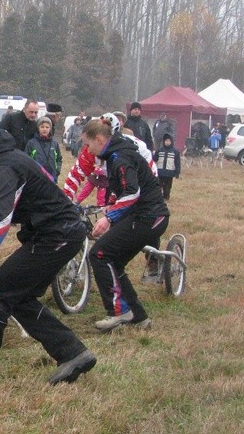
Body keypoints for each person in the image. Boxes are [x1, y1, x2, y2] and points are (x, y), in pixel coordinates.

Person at [0, 118, 96, 389]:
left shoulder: (3, 167)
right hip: (53, 234)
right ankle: (73, 353)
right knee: (17, 296)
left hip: (57, 235)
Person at [82, 118, 169, 332]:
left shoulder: (120, 157)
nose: (87, 149)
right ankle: (139, 317)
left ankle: (118, 312)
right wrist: (109, 206)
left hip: (149, 217)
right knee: (114, 261)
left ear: (100, 139)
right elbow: (123, 190)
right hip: (146, 215)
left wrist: (109, 218)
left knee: (99, 255)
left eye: (88, 144)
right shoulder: (115, 154)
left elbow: (132, 192)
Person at [24, 116, 62, 182]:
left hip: (51, 176)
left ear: (50, 129)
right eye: (42, 127)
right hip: (36, 176)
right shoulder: (31, 143)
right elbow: (26, 158)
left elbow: (59, 159)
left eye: (47, 127)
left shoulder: (55, 144)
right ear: (38, 128)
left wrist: (57, 171)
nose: (44, 129)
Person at [153, 134, 181, 200]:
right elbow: (154, 160)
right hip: (160, 172)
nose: (167, 142)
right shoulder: (159, 150)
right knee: (159, 185)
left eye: (169, 141)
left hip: (169, 173)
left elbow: (177, 163)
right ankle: (158, 196)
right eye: (166, 141)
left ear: (171, 142)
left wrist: (177, 172)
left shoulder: (175, 152)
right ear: (163, 141)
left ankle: (166, 196)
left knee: (168, 185)